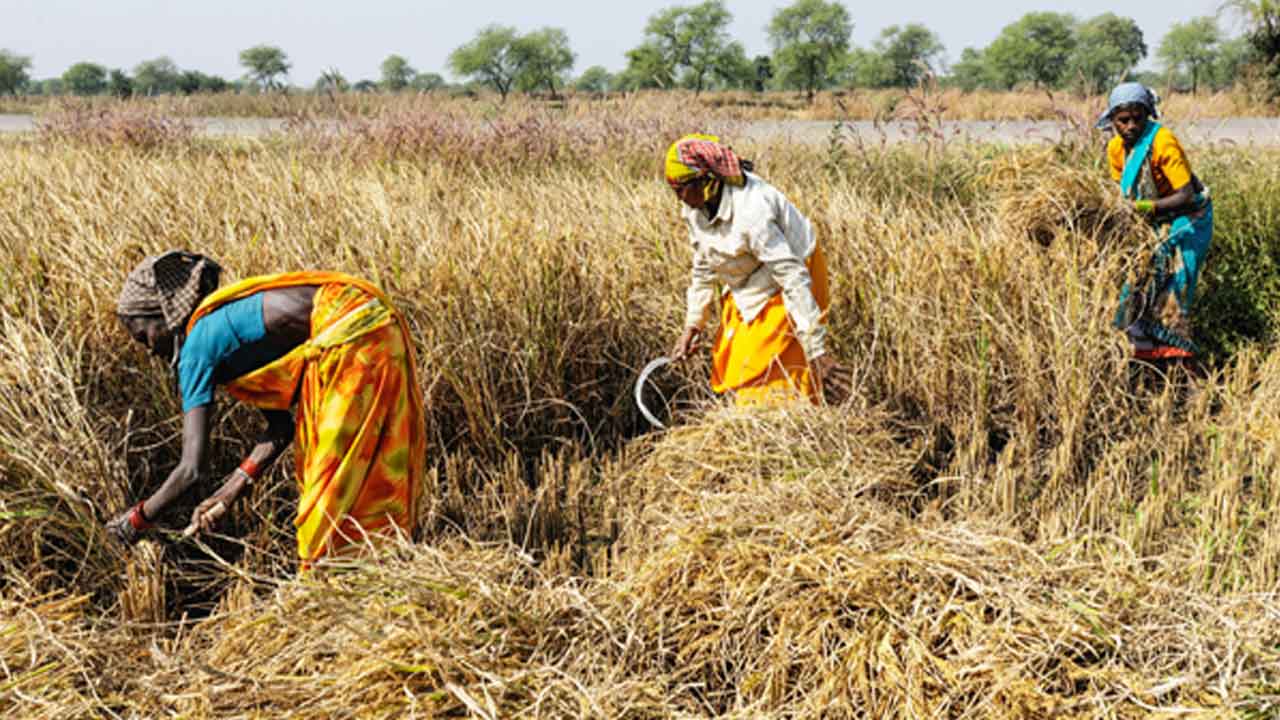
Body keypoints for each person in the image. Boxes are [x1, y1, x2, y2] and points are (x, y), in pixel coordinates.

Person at [106, 250, 426, 568]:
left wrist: (132, 523)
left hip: (352, 337)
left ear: (163, 314)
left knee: (328, 493)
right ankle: (375, 565)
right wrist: (229, 492)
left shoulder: (197, 348)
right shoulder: (214, 330)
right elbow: (280, 428)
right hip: (370, 325)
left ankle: (330, 580)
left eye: (142, 335)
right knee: (359, 475)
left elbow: (191, 469)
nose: (148, 350)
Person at [666, 133, 850, 406]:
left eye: (680, 188)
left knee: (774, 369)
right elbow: (704, 267)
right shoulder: (695, 209)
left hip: (795, 274)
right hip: (749, 280)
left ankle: (791, 423)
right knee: (738, 360)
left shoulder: (752, 210)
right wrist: (692, 326)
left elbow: (791, 275)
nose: (678, 197)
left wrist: (816, 349)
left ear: (705, 180)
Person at [1099, 83, 1213, 366]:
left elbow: (1185, 195)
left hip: (1189, 218)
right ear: (1112, 120)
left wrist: (1142, 208)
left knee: (1175, 283)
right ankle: (1142, 343)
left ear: (1148, 115)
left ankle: (1177, 352)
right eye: (1123, 120)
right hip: (1152, 219)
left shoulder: (1162, 142)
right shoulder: (1115, 149)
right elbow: (1122, 191)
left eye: (1138, 118)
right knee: (1137, 275)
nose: (1130, 126)